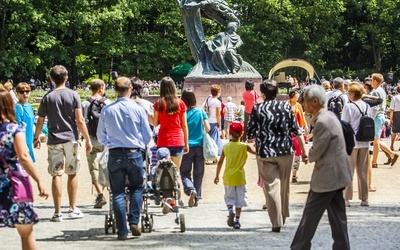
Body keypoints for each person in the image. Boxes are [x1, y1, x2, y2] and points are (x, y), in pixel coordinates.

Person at [291, 85, 352, 250]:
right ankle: (342, 247)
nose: (303, 104)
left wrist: (307, 155)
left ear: (315, 101)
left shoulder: (322, 122)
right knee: (338, 216)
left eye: (305, 101)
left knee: (310, 216)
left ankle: (299, 247)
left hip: (327, 176)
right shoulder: (330, 116)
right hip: (338, 173)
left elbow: (317, 152)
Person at [33, 65, 92, 222]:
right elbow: (79, 120)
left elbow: (40, 121)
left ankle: (57, 212)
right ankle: (72, 208)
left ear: (51, 79)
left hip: (54, 140)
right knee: (72, 172)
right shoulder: (73, 95)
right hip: (70, 139)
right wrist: (87, 139)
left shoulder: (47, 97)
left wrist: (36, 137)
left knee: (56, 174)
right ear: (66, 78)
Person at [247, 79, 307, 233]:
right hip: (286, 151)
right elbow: (296, 130)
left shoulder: (258, 108)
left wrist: (254, 138)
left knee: (271, 187)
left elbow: (250, 132)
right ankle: (283, 215)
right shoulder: (286, 107)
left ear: (263, 94)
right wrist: (304, 151)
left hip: (266, 151)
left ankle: (276, 221)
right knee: (284, 186)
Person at [97, 76, 152, 240]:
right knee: (137, 187)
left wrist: (110, 143)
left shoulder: (107, 110)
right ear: (130, 90)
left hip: (115, 153)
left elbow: (101, 135)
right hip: (134, 152)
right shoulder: (138, 109)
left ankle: (122, 230)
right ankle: (134, 220)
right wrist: (140, 144)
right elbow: (147, 135)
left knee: (117, 192)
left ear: (114, 90)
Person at [0, 88, 49, 250]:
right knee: (26, 230)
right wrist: (39, 180)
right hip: (13, 185)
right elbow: (24, 157)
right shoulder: (13, 130)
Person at [153, 77, 189, 202]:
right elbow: (184, 125)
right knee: (175, 171)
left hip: (163, 140)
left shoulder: (159, 103)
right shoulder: (180, 103)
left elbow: (155, 123)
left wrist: (148, 117)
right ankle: (176, 198)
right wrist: (186, 142)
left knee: (164, 171)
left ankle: (167, 197)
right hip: (178, 139)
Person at [214, 121, 256, 229]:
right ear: (242, 134)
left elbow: (220, 162)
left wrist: (217, 176)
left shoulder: (226, 147)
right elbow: (256, 152)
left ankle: (229, 210)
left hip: (228, 177)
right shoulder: (244, 146)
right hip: (240, 177)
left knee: (229, 197)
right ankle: (237, 220)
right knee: (239, 200)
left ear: (230, 134)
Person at [81, 79, 111, 209]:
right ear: (100, 88)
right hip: (106, 139)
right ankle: (108, 192)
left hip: (91, 140)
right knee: (107, 167)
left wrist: (83, 138)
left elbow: (81, 122)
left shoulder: (85, 104)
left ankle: (100, 194)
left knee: (93, 168)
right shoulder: (108, 103)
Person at [342, 82, 371, 207]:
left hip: (352, 142)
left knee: (349, 170)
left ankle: (347, 198)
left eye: (349, 92)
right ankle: (364, 198)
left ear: (353, 94)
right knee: (363, 171)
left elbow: (344, 124)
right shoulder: (367, 106)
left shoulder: (349, 107)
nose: (348, 94)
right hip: (365, 141)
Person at [180, 89, 211, 207]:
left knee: (185, 172)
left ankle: (190, 189)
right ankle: (197, 196)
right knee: (198, 173)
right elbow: (208, 128)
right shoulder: (200, 111)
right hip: (200, 146)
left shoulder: (182, 113)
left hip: (186, 146)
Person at [370, 73, 398, 168]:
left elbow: (375, 108)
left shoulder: (376, 91)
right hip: (380, 116)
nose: (370, 82)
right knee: (375, 139)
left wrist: (371, 119)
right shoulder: (381, 90)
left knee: (376, 140)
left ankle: (374, 161)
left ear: (375, 81)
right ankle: (391, 154)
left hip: (376, 117)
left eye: (371, 80)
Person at [288, 89, 307, 183]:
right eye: (297, 95)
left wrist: (305, 126)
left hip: (297, 131)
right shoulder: (286, 105)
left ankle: (294, 174)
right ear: (292, 96)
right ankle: (288, 172)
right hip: (288, 132)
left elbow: (302, 117)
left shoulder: (298, 105)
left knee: (297, 154)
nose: (298, 97)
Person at [15, 82, 36, 162]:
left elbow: (32, 123)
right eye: (22, 92)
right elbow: (18, 125)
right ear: (18, 94)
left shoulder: (29, 106)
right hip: (22, 139)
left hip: (30, 138)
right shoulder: (18, 107)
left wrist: (36, 137)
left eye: (27, 91)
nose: (25, 94)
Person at [203, 84, 223, 162]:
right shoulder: (217, 102)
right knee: (214, 140)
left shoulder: (208, 99)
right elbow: (218, 115)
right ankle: (214, 157)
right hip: (214, 121)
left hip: (208, 121)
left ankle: (207, 158)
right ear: (218, 92)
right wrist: (220, 124)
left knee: (208, 139)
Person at [389, 85, 400, 151]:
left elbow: (392, 109)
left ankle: (392, 145)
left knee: (394, 131)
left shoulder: (395, 98)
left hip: (396, 114)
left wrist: (391, 118)